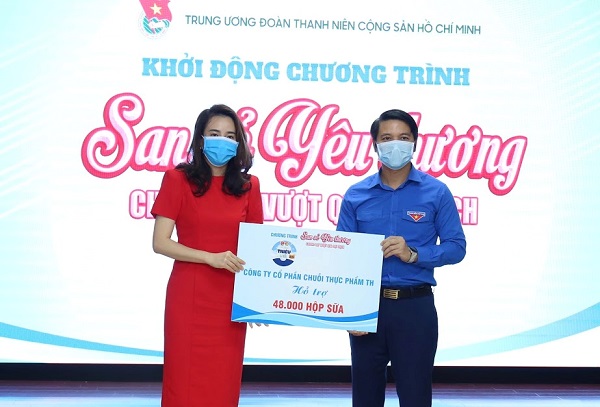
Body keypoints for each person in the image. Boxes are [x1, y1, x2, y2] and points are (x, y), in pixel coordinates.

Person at [336, 109, 466, 407]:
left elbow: (456, 247)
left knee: (415, 396)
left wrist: (415, 254)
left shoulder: (437, 192)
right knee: (365, 397)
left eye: (403, 137)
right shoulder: (356, 194)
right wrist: (349, 312)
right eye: (387, 138)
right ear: (375, 145)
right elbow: (343, 255)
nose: (395, 144)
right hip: (368, 307)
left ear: (415, 143)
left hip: (415, 308)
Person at [151, 104, 264, 407]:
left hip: (230, 301)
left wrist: (259, 300)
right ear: (200, 139)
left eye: (230, 135)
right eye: (214, 133)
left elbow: (257, 248)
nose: (222, 140)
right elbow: (160, 243)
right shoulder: (177, 179)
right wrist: (209, 257)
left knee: (222, 384)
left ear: (238, 143)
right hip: (189, 296)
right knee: (183, 384)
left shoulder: (249, 186)